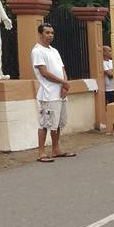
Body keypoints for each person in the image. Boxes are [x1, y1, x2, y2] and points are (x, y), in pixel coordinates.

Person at [31, 23, 76, 162]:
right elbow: (44, 73)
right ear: (40, 34)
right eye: (47, 32)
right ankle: (41, 152)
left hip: (59, 93)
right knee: (45, 123)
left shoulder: (54, 51)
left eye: (52, 32)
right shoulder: (37, 51)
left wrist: (65, 85)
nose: (50, 35)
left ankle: (56, 149)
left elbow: (62, 70)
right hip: (48, 93)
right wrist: (63, 83)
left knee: (57, 123)